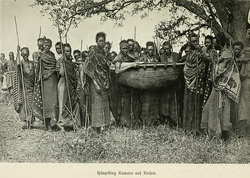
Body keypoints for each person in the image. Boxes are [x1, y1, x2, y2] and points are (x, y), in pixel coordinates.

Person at [201, 48, 241, 140]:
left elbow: (229, 77)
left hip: (225, 93)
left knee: (224, 114)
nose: (223, 59)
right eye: (222, 57)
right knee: (211, 110)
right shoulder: (219, 63)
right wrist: (214, 62)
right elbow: (215, 75)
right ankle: (213, 134)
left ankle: (224, 136)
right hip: (216, 91)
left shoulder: (231, 66)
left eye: (225, 58)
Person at [83, 32, 111, 133]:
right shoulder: (93, 52)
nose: (101, 43)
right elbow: (88, 68)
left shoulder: (103, 53)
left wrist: (107, 63)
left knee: (104, 103)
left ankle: (105, 125)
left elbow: (104, 66)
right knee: (96, 105)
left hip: (104, 81)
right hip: (95, 82)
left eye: (103, 41)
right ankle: (96, 127)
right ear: (96, 41)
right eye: (99, 41)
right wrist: (95, 83)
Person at [182, 33, 207, 135]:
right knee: (189, 104)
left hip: (199, 81)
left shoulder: (202, 50)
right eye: (192, 41)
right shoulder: (189, 53)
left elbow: (207, 60)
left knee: (197, 104)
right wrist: (181, 49)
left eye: (195, 41)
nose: (194, 43)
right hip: (189, 81)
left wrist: (200, 51)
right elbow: (180, 60)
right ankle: (188, 128)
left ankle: (197, 129)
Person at [33, 39, 59, 131]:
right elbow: (38, 68)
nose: (47, 47)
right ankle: (47, 124)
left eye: (49, 45)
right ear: (43, 46)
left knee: (54, 102)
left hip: (53, 79)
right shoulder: (40, 55)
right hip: (45, 80)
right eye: (45, 45)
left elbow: (55, 65)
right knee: (47, 103)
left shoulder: (52, 54)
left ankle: (54, 123)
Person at [113, 40, 140, 128]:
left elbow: (134, 60)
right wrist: (130, 66)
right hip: (119, 85)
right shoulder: (118, 58)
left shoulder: (127, 56)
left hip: (127, 84)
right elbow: (117, 71)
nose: (125, 50)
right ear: (120, 49)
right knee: (121, 104)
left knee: (128, 103)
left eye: (126, 48)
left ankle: (129, 122)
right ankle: (121, 123)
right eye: (123, 48)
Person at [57, 43, 79, 130]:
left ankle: (71, 123)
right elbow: (61, 73)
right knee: (63, 103)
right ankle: (61, 124)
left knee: (73, 102)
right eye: (66, 51)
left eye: (69, 51)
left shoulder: (71, 62)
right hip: (63, 83)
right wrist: (63, 63)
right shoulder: (60, 61)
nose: (68, 53)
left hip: (71, 83)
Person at [139, 41, 160, 127]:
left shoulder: (156, 58)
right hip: (146, 84)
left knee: (154, 103)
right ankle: (145, 122)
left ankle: (153, 122)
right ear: (147, 50)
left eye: (152, 50)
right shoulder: (143, 58)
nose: (150, 51)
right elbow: (138, 64)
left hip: (154, 84)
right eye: (149, 50)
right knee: (146, 103)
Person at [15, 46, 35, 129]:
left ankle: (30, 121)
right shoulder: (21, 63)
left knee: (31, 103)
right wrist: (17, 52)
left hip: (31, 86)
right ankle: (24, 121)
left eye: (26, 54)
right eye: (23, 54)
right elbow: (18, 64)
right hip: (24, 86)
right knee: (24, 104)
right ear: (22, 55)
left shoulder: (31, 63)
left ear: (29, 53)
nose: (25, 56)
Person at [238, 43, 250, 137]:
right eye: (246, 51)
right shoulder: (243, 61)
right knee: (243, 106)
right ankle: (243, 131)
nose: (247, 53)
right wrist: (244, 63)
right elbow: (242, 75)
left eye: (249, 51)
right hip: (245, 84)